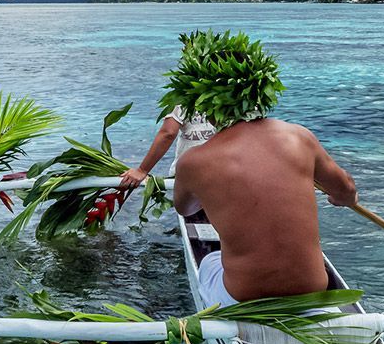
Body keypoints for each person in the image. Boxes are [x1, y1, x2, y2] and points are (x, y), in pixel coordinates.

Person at [120, 30, 357, 307]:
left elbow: (185, 209)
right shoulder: (299, 137)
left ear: (205, 100)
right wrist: (341, 198)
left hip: (243, 294)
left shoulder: (194, 161)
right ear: (259, 91)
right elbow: (347, 190)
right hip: (313, 287)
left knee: (209, 259)